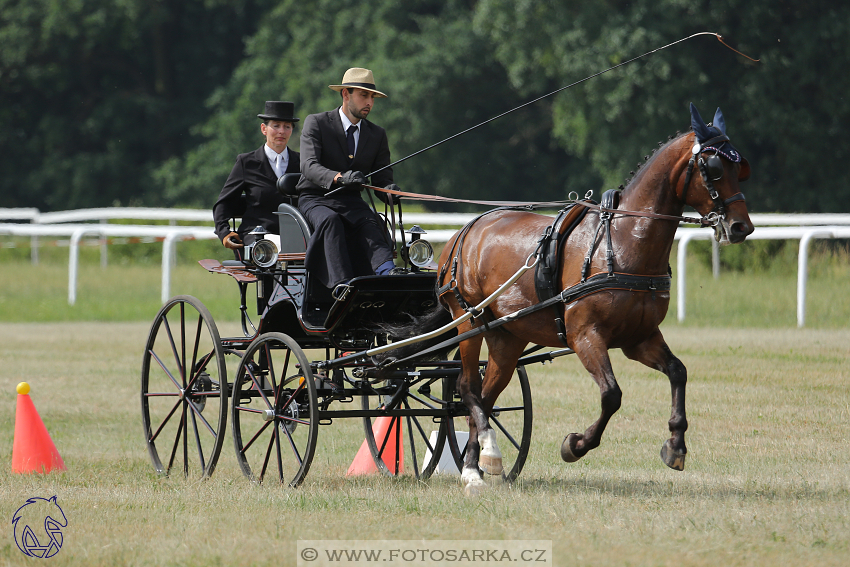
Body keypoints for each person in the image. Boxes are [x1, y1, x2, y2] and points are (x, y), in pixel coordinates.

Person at [295, 67, 404, 291]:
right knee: (330, 221)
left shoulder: (377, 134)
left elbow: (381, 179)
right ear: (346, 94)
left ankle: (387, 272)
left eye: (372, 97)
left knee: (372, 222)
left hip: (352, 203)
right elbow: (308, 166)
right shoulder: (317, 123)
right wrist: (339, 177)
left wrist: (389, 191)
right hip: (316, 198)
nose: (369, 103)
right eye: (364, 95)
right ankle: (342, 285)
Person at [213, 101, 301, 257]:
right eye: (276, 125)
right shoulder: (247, 163)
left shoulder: (302, 163)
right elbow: (224, 202)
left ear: (292, 130)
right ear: (264, 129)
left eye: (287, 126)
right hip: (256, 236)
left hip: (295, 236)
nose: (281, 131)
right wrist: (224, 233)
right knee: (281, 250)